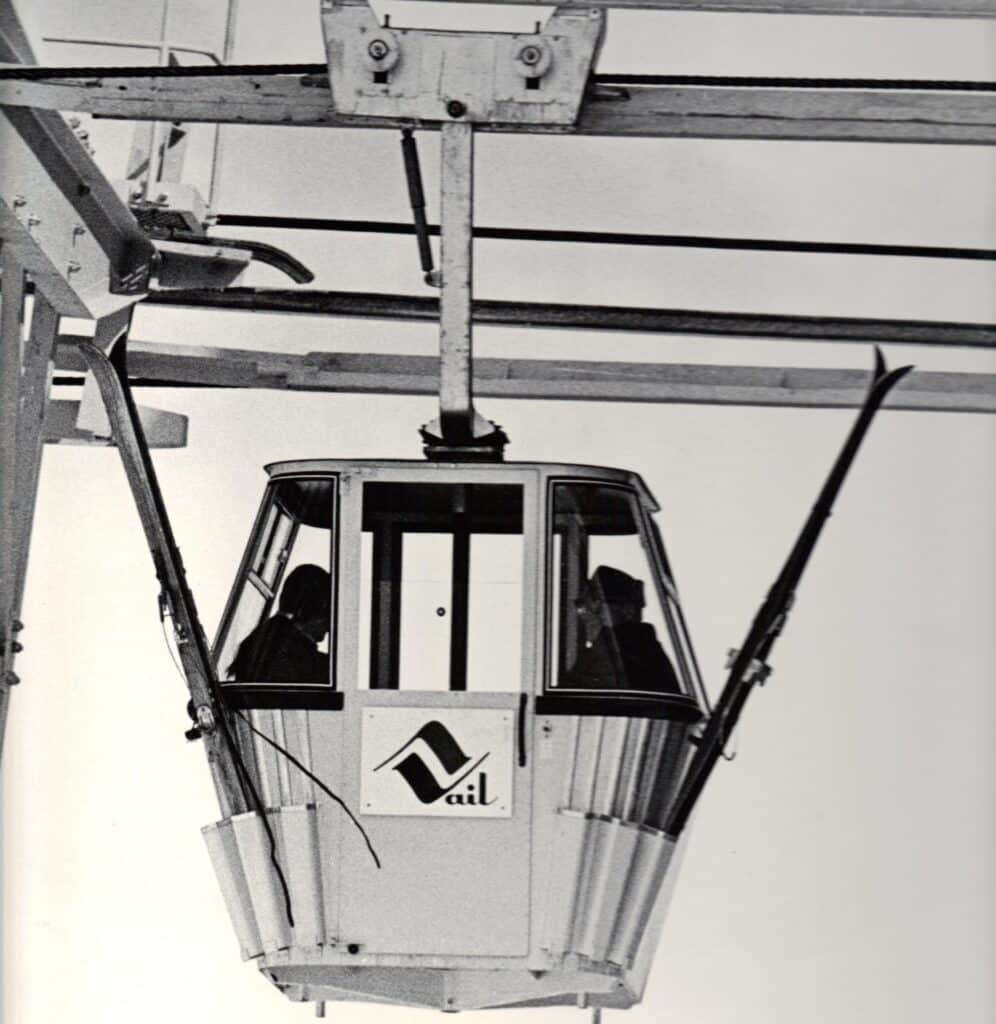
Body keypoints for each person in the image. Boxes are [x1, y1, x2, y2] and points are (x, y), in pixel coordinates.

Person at [563, 565, 680, 694]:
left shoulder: (623, 651)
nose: (587, 613)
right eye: (582, 605)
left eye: (597, 603)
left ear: (627, 611)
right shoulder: (644, 650)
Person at [229, 564, 331, 683]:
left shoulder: (260, 641)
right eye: (328, 613)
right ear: (316, 609)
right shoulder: (304, 662)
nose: (329, 626)